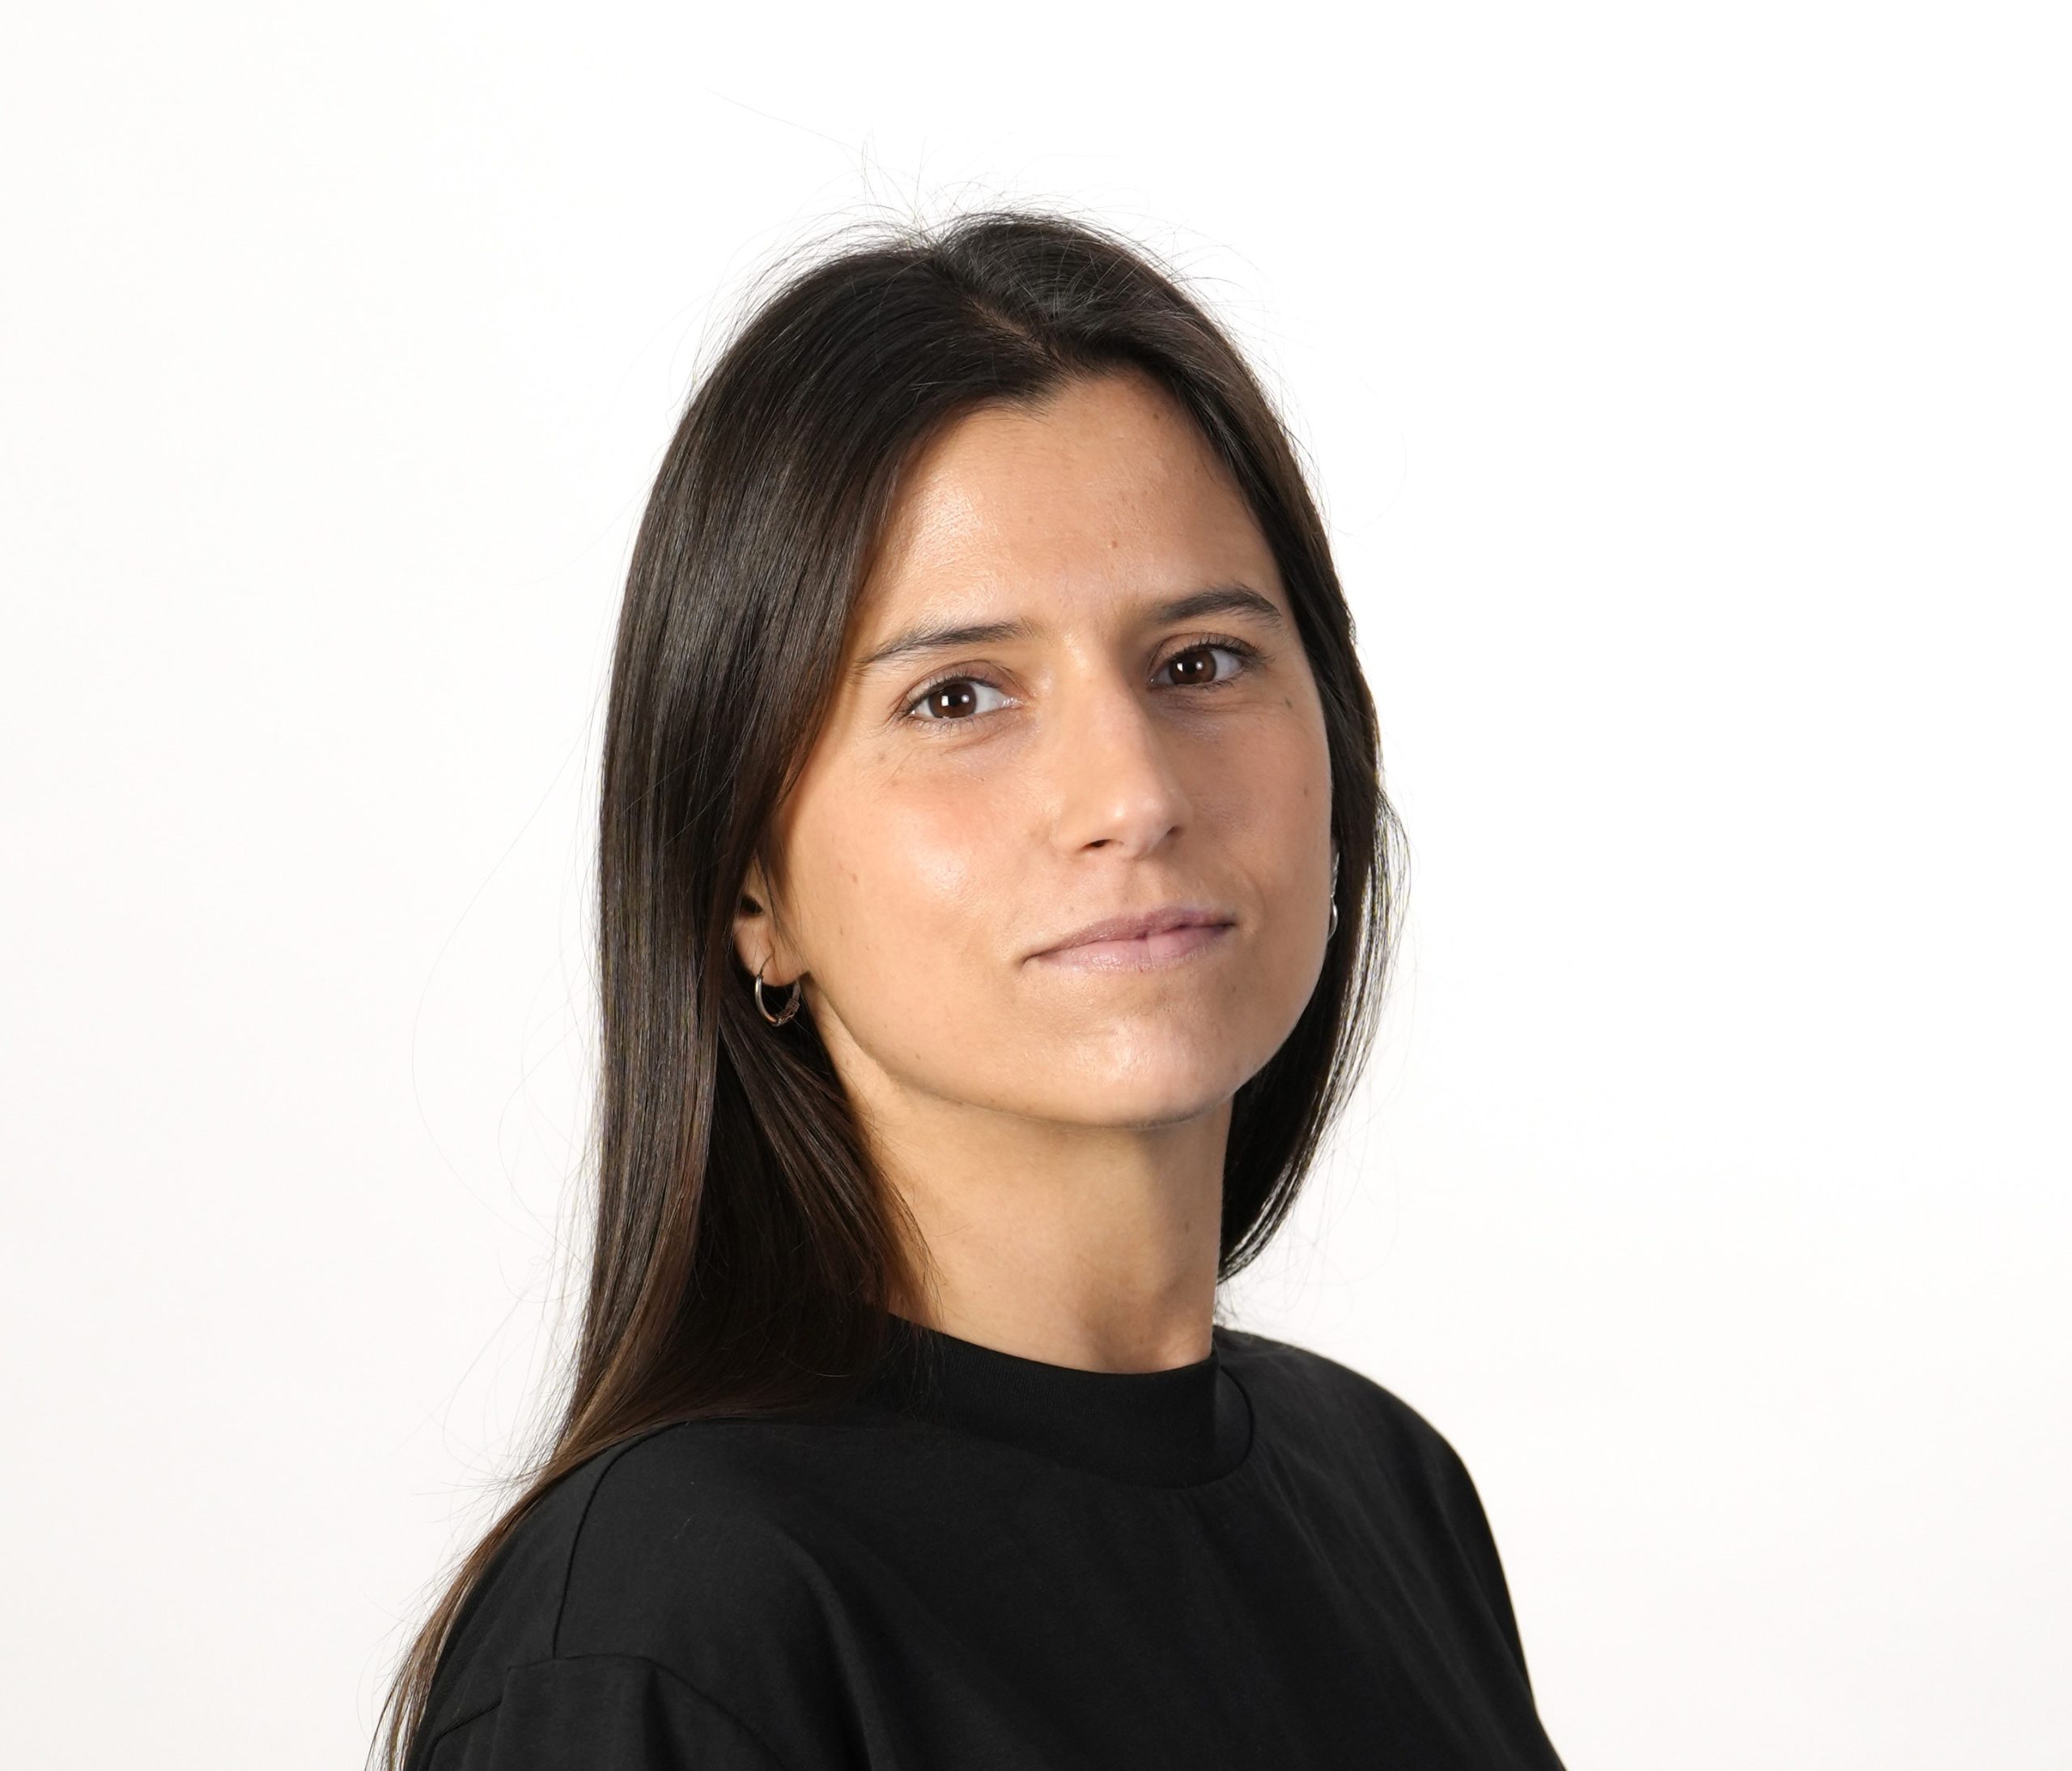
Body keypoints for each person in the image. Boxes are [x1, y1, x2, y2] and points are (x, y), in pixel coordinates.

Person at [374, 206, 1567, 1770]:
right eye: (958, 698)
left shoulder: (1391, 1495)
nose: (1133, 795)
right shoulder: (671, 1625)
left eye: (1201, 662)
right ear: (750, 887)